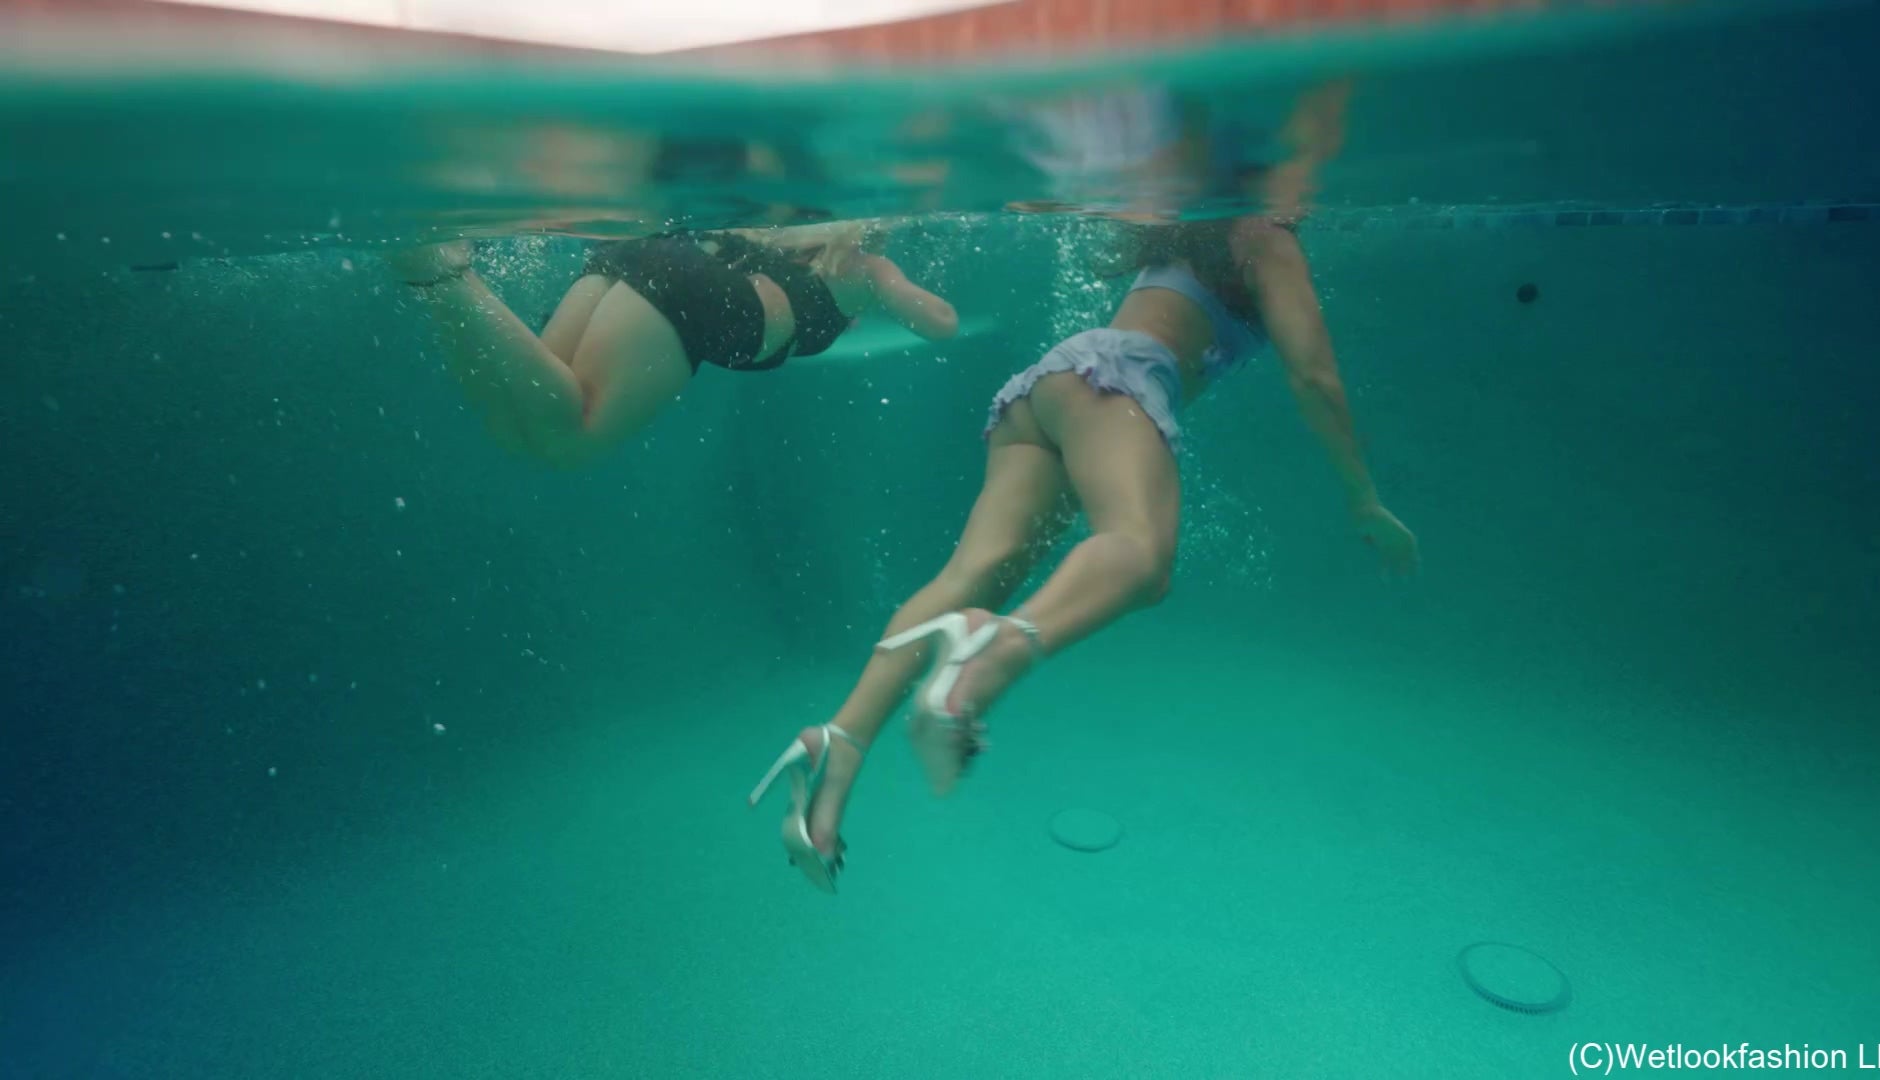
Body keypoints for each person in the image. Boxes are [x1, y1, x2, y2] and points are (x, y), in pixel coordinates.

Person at [747, 214, 1419, 893]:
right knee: (1140, 556)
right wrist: (1364, 499)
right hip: (1117, 381)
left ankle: (837, 747)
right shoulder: (1266, 237)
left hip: (1048, 387)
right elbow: (1315, 378)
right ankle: (987, 659)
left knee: (971, 575)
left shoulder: (1191, 226)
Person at [384, 220, 958, 468]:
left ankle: (434, 276)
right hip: (698, 294)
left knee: (526, 423)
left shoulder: (775, 232)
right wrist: (884, 285)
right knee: (570, 442)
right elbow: (941, 324)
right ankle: (448, 276)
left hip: (652, 253)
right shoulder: (862, 265)